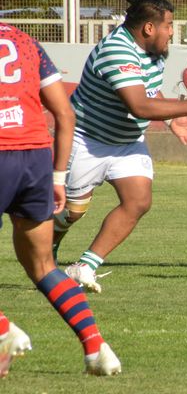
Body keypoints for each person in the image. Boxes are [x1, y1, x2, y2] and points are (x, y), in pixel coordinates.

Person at [52, 0, 187, 293]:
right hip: (88, 139)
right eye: (169, 25)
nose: (172, 31)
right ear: (149, 28)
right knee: (71, 213)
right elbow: (139, 106)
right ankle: (46, 250)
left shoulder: (152, 51)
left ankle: (84, 267)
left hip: (127, 141)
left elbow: (149, 91)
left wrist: (173, 121)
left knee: (139, 201)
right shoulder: (117, 50)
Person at [0, 23, 120, 376]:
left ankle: (4, 330)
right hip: (35, 159)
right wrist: (57, 177)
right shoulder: (25, 41)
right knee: (43, 266)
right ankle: (97, 349)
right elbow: (65, 114)